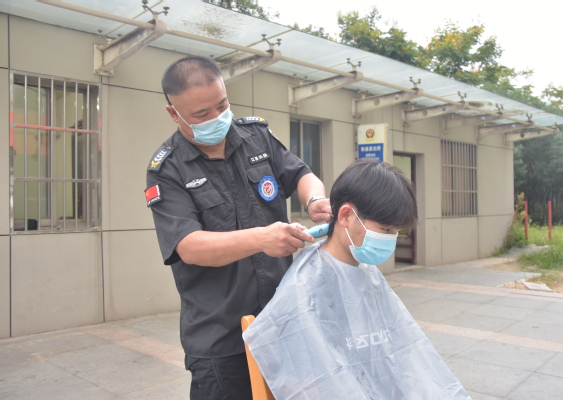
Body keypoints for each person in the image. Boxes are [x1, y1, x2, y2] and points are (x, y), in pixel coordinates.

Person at [145, 55, 332, 400]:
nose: (217, 118)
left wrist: (315, 199)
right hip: (221, 340)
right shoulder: (167, 170)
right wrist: (261, 238)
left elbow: (300, 174)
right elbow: (189, 246)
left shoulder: (255, 136)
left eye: (222, 105)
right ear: (174, 113)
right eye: (202, 114)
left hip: (282, 323)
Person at [243, 159, 471, 399]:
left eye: (396, 231)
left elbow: (407, 354)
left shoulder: (366, 271)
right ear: (346, 215)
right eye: (385, 229)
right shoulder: (305, 284)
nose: (391, 238)